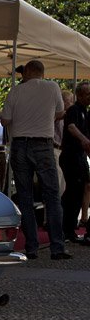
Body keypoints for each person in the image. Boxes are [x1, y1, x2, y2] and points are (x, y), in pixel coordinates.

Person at [1, 60, 70, 260]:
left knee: (25, 196)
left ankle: (31, 247)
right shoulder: (52, 87)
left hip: (20, 144)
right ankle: (57, 246)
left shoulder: (16, 91)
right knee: (52, 195)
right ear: (42, 72)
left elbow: (4, 120)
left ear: (29, 72)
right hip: (44, 144)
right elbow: (59, 112)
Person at [58, 81, 90, 245]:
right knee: (72, 193)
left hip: (80, 156)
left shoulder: (85, 112)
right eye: (87, 94)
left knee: (80, 191)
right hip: (71, 155)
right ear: (79, 95)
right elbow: (71, 127)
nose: (89, 98)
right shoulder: (74, 110)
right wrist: (84, 140)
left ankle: (70, 228)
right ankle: (65, 229)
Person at [53, 89, 75, 197]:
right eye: (69, 101)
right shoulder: (57, 115)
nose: (71, 103)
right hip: (55, 149)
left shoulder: (70, 116)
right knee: (57, 181)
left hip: (64, 151)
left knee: (64, 183)